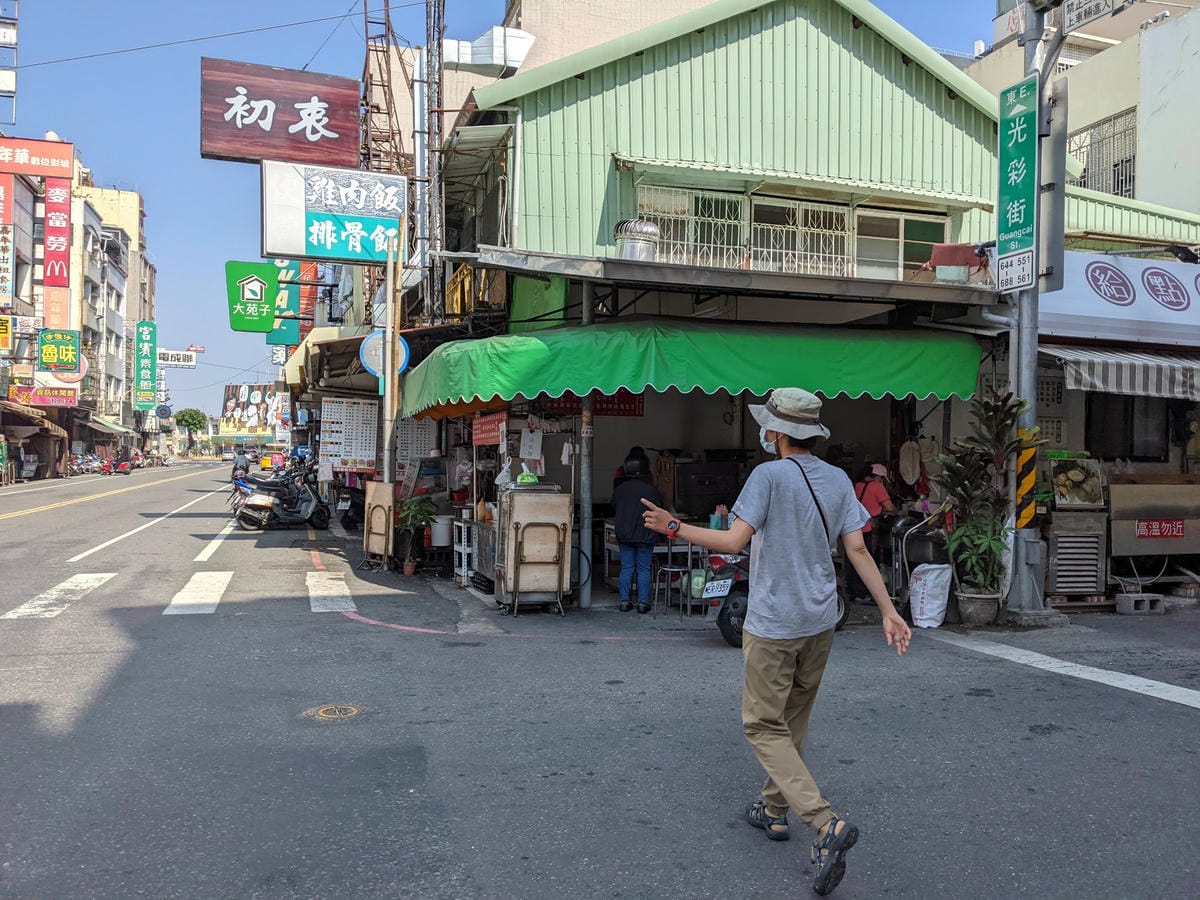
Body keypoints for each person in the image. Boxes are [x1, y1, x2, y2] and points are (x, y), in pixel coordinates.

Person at [641, 387, 910, 897]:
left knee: (762, 724)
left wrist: (675, 527)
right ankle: (774, 807)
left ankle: (824, 822)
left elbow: (733, 541)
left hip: (774, 622)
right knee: (792, 719)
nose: (764, 431)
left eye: (767, 424)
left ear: (778, 432)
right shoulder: (837, 480)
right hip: (820, 619)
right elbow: (857, 550)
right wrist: (889, 610)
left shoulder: (768, 476)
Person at [611, 454, 664, 613]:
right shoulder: (651, 490)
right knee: (643, 569)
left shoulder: (619, 490)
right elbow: (659, 511)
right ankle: (642, 603)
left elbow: (613, 507)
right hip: (645, 534)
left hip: (625, 535)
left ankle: (624, 602)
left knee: (626, 568)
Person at [846, 464, 897, 605]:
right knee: (867, 561)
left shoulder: (856, 485)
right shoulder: (877, 486)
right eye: (882, 479)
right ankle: (863, 594)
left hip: (853, 528)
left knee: (853, 560)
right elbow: (890, 507)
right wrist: (897, 511)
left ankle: (852, 592)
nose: (882, 482)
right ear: (878, 477)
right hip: (869, 527)